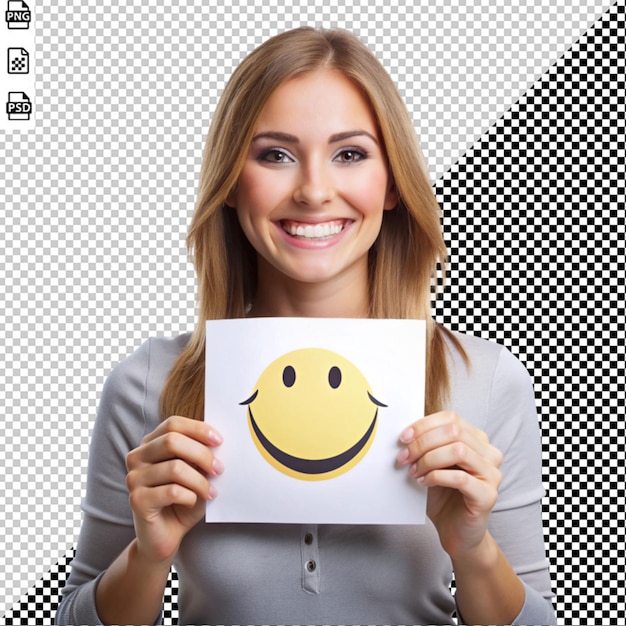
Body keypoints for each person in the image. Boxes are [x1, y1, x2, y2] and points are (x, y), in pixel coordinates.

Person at [56, 27, 556, 625]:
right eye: (275, 154)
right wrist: (148, 554)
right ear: (232, 184)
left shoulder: (487, 380)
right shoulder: (146, 383)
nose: (315, 191)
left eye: (350, 153)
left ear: (392, 182)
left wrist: (472, 550)